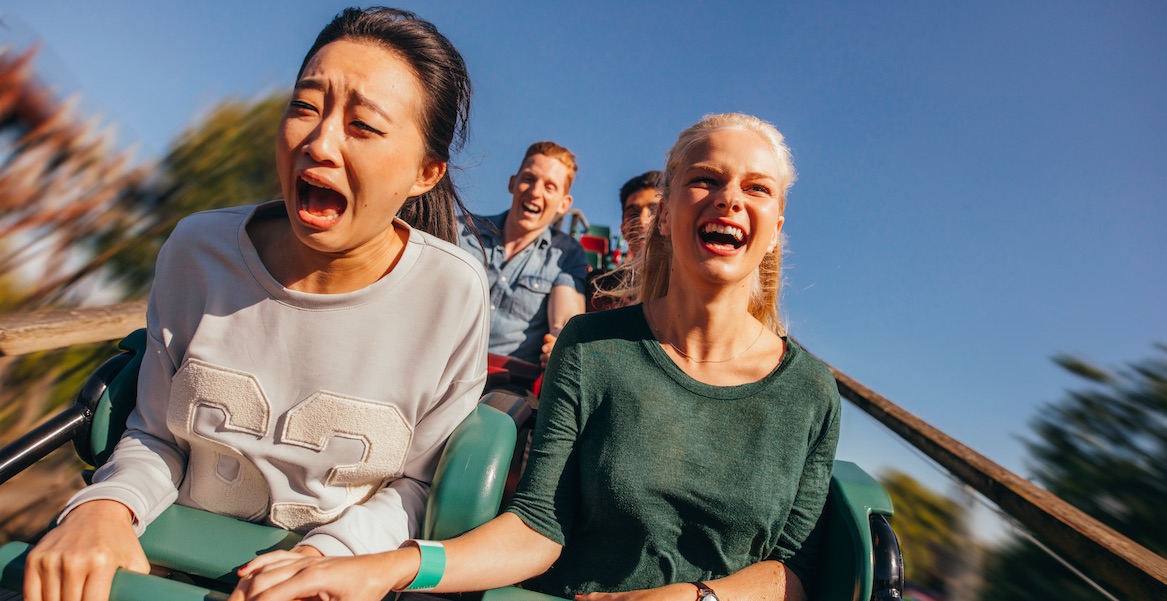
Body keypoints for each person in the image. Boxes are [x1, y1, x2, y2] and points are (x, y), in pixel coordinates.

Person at [229, 113, 841, 601]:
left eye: (756, 188)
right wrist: (385, 568)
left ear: (776, 223)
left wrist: (695, 598)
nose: (729, 199)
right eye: (705, 180)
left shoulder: (810, 391)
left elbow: (795, 571)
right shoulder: (596, 350)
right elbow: (540, 524)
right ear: (667, 212)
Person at [24, 7, 489, 601]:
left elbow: (419, 485)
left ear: (427, 172)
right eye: (305, 107)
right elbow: (156, 433)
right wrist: (106, 508)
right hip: (164, 564)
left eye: (363, 126)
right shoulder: (197, 251)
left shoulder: (452, 294)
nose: (318, 142)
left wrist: (330, 558)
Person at [457, 142, 589, 367]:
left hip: (506, 386)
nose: (535, 192)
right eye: (529, 179)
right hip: (438, 368)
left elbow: (566, 320)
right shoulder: (460, 230)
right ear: (512, 183)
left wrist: (560, 342)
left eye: (550, 187)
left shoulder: (566, 254)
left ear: (564, 204)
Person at [587, 170, 663, 311]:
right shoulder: (598, 289)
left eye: (654, 210)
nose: (642, 220)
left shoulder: (693, 289)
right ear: (623, 229)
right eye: (633, 213)